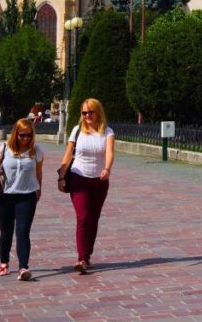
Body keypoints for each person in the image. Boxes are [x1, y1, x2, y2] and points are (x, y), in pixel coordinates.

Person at [0, 118, 43, 281]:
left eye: (29, 136)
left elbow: (38, 172)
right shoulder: (3, 148)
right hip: (4, 197)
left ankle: (23, 267)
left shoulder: (36, 150)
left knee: (23, 232)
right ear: (16, 134)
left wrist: (39, 188)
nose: (25, 139)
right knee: (6, 232)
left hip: (27, 196)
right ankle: (4, 263)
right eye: (22, 135)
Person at [59, 98, 114, 275]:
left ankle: (87, 254)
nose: (87, 115)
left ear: (98, 112)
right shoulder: (77, 131)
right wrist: (61, 177)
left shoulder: (107, 132)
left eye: (91, 112)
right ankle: (81, 258)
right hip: (78, 177)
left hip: (99, 181)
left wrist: (107, 169)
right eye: (84, 112)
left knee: (94, 218)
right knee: (83, 216)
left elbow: (110, 153)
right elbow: (68, 155)